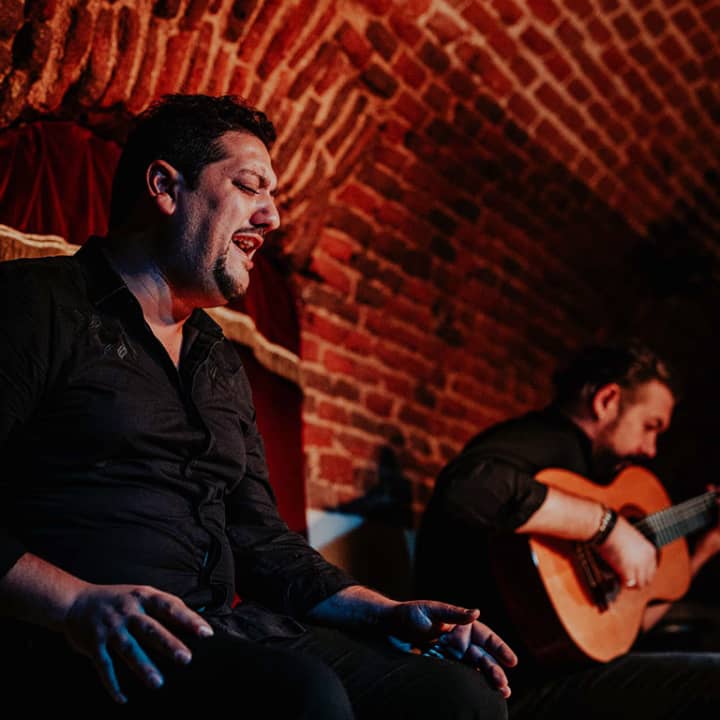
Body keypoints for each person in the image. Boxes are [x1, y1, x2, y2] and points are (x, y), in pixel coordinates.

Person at [0, 94, 517, 718]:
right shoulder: (36, 305)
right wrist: (75, 603)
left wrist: (383, 611)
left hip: (224, 633)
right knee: (300, 696)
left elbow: (260, 538)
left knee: (459, 695)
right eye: (250, 186)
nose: (271, 217)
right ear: (164, 187)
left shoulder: (217, 359)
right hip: (84, 641)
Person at [414, 342, 720, 719]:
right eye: (650, 426)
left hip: (555, 673)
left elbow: (629, 628)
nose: (651, 449)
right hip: (495, 684)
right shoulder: (548, 439)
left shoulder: (591, 475)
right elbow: (469, 487)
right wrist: (608, 528)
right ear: (607, 400)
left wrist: (707, 548)